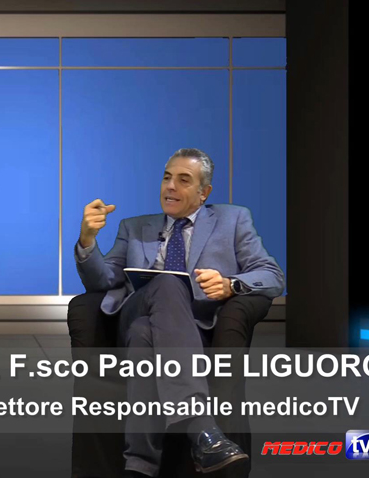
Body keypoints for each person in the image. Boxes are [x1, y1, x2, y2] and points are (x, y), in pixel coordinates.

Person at [73, 148, 284, 477]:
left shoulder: (233, 220)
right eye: (167, 177)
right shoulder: (134, 227)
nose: (170, 186)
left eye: (184, 180)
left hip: (192, 329)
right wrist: (87, 240)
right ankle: (203, 431)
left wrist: (230, 285)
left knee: (145, 334)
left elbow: (272, 276)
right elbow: (102, 281)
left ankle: (139, 465)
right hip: (133, 312)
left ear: (204, 193)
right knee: (168, 284)